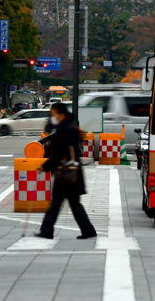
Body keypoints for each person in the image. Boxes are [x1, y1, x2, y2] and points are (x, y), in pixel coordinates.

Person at [37, 102, 98, 240]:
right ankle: (88, 230)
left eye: (53, 114)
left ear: (61, 115)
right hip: (71, 174)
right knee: (74, 205)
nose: (52, 117)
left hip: (67, 174)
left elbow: (60, 152)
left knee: (57, 204)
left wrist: (45, 166)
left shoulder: (65, 130)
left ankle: (47, 231)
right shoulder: (66, 128)